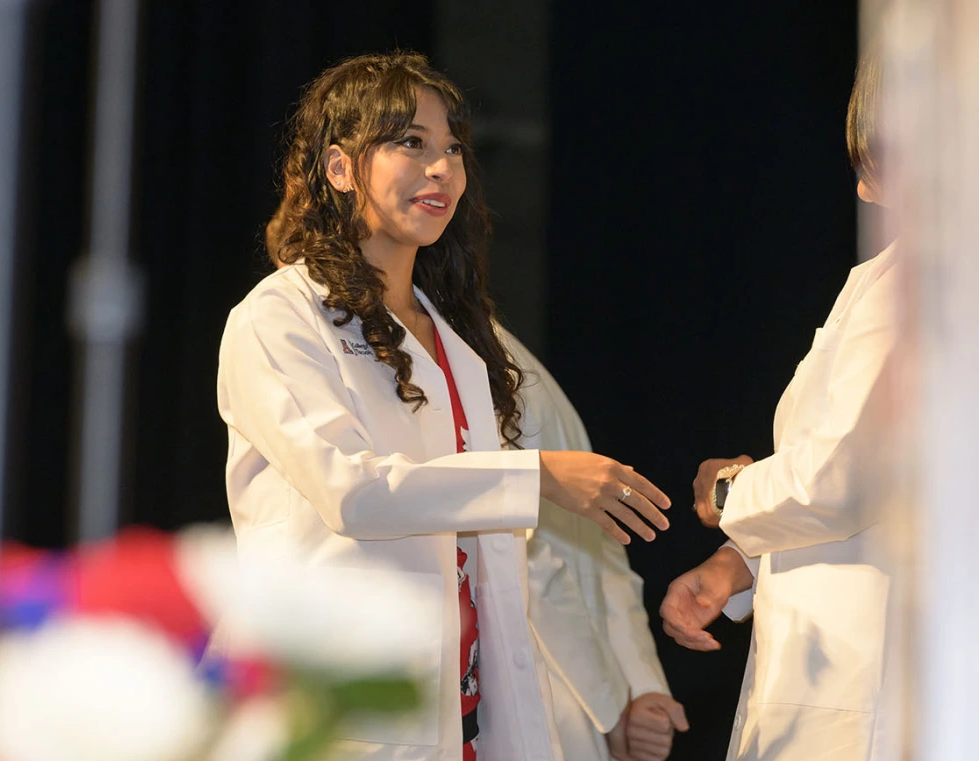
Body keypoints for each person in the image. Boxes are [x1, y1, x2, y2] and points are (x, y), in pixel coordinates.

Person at [218, 52, 672, 761]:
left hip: (464, 719)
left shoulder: (458, 341)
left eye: (452, 149)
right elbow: (353, 492)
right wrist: (538, 477)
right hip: (336, 716)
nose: (441, 168)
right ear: (339, 168)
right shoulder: (278, 318)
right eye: (411, 143)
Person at [263, 211, 687, 761]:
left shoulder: (472, 352)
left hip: (540, 679)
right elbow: (356, 495)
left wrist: (638, 685)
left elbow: (596, 538)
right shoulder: (288, 329)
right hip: (426, 679)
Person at [659, 50, 899, 761]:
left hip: (877, 692)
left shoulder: (928, 279)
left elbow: (843, 477)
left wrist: (728, 492)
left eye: (874, 158)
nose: (860, 190)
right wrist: (741, 560)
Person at [505, 331, 689, 761]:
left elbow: (599, 541)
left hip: (563, 697)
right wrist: (620, 699)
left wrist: (638, 689)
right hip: (535, 689)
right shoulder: (441, 344)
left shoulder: (488, 347)